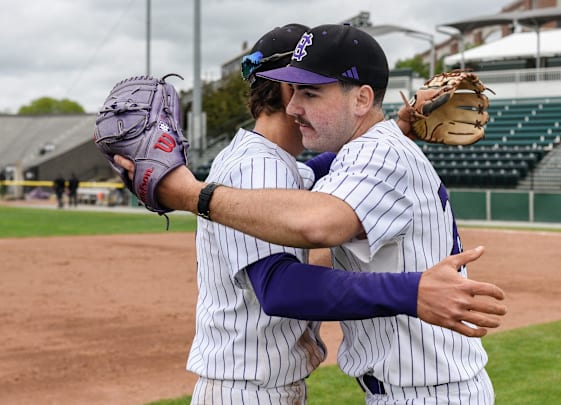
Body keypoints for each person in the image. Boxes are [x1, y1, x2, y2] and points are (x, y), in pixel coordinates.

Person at [119, 23, 507, 404]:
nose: (294, 107)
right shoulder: (271, 165)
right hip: (253, 388)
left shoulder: (345, 156)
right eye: (295, 90)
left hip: (421, 391)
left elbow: (315, 213)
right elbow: (283, 278)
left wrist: (191, 194)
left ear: (360, 98)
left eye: (309, 92)